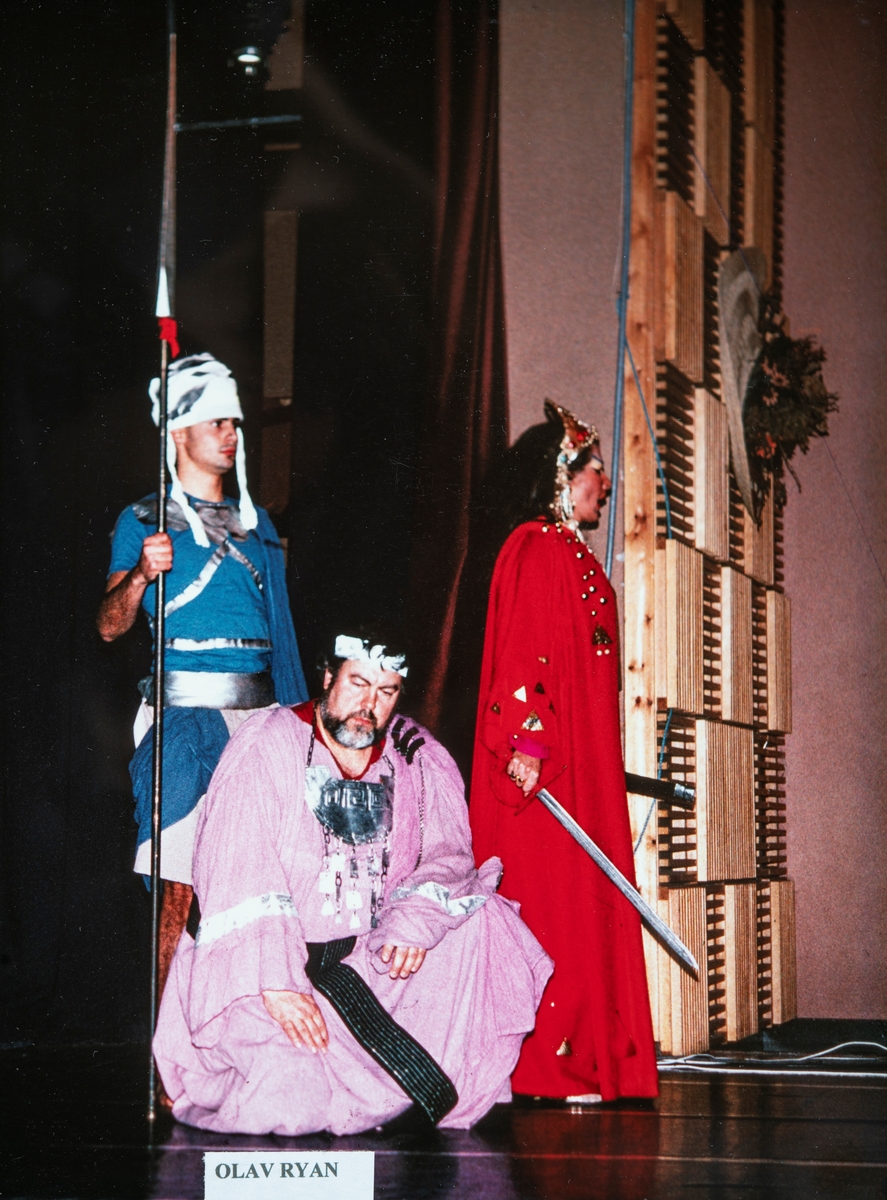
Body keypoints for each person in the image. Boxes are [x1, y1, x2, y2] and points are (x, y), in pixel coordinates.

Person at [153, 630, 553, 1135]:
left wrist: (413, 922)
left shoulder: (415, 755)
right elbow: (238, 865)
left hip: (362, 959)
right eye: (358, 684)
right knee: (290, 1099)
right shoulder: (268, 740)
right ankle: (360, 1093)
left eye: (386, 692)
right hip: (263, 967)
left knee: (483, 923)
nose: (369, 705)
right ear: (327, 677)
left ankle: (389, 1091)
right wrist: (275, 982)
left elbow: (449, 854)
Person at [468, 401, 658, 1103]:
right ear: (558, 476)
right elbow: (523, 652)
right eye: (592, 471)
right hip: (544, 768)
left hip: (586, 764)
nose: (602, 484)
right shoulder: (535, 546)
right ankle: (546, 1064)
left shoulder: (571, 552)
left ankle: (590, 1054)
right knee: (553, 904)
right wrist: (526, 741)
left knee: (588, 902)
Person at [97, 353, 308, 983]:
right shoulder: (140, 521)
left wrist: (300, 730)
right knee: (179, 885)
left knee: (262, 884)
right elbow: (108, 626)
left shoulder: (257, 525)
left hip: (262, 717)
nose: (231, 434)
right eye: (217, 421)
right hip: (185, 715)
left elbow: (285, 638)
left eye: (234, 424)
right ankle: (168, 1058)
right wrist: (140, 574)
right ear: (179, 432)